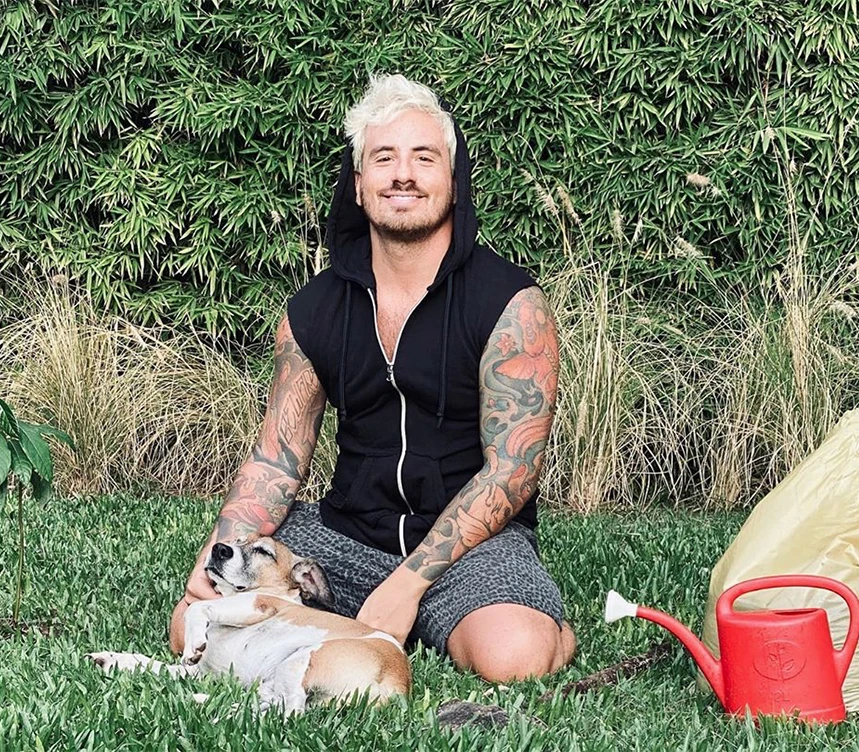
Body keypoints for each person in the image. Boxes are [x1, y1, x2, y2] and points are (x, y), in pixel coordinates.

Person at [170, 74, 575, 682]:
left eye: (423, 157)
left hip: (470, 545)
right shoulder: (314, 310)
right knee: (190, 627)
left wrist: (408, 585)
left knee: (514, 658)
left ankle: (523, 625)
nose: (403, 174)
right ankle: (361, 625)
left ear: (453, 179)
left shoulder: (510, 304)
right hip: (345, 535)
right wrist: (220, 552)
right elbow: (277, 459)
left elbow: (511, 471)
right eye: (384, 158)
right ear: (359, 184)